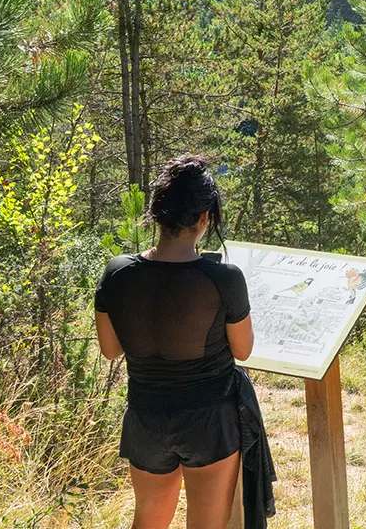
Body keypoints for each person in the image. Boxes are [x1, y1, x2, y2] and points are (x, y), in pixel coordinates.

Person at [95, 155, 255, 529]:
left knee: (148, 522)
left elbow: (110, 350)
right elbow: (243, 350)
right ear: (204, 219)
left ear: (156, 215)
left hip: (146, 415)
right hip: (209, 420)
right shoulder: (224, 278)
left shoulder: (117, 273)